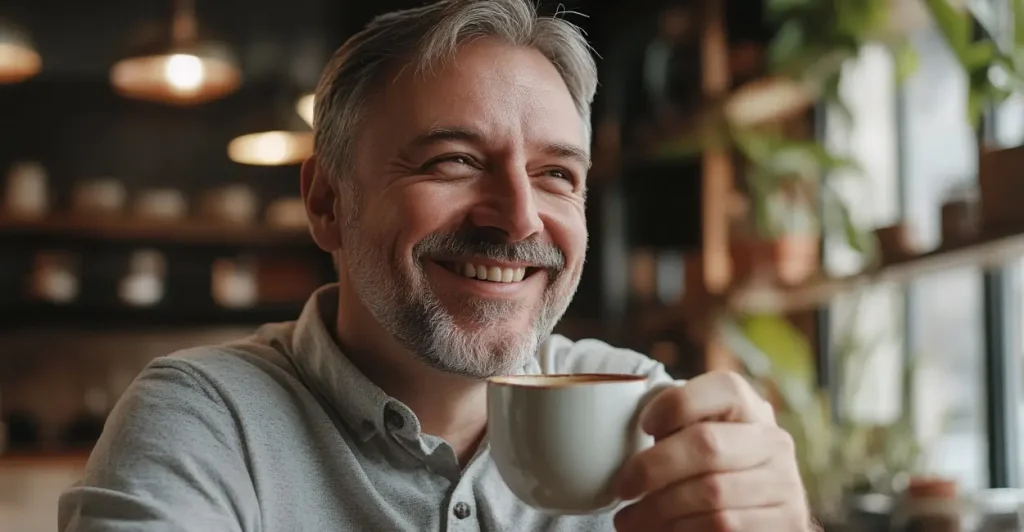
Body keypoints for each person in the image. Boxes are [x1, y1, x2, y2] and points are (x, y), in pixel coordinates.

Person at [58, 0, 814, 530]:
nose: (518, 217)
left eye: (558, 175)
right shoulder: (207, 420)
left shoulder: (645, 412)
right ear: (326, 202)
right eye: (453, 160)